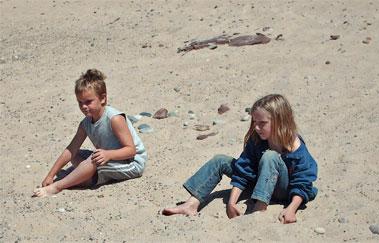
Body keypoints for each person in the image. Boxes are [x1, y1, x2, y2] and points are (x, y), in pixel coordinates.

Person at [162, 94, 318, 223]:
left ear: (280, 122)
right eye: (254, 122)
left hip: (282, 190)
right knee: (220, 160)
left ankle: (260, 207)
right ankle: (191, 204)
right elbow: (245, 169)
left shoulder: (296, 148)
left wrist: (291, 209)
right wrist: (231, 202)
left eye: (262, 123)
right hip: (258, 181)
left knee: (270, 156)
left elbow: (303, 183)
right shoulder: (258, 138)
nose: (256, 128)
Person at [33, 69, 147, 197]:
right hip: (110, 157)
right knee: (76, 154)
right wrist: (51, 175)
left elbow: (131, 150)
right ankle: (85, 177)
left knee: (93, 160)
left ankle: (58, 186)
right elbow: (70, 149)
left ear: (103, 98)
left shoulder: (114, 118)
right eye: (80, 102)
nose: (84, 106)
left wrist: (108, 154)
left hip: (131, 163)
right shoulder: (85, 124)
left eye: (88, 102)